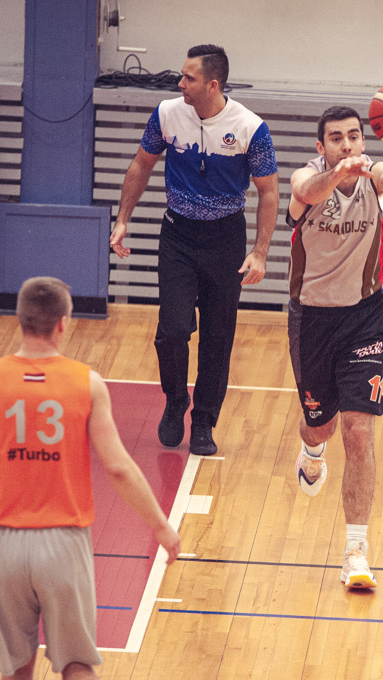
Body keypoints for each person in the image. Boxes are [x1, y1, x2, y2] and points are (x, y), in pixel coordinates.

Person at [0, 276, 181, 680]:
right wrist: (160, 525)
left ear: (20, 319)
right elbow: (119, 468)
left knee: (16, 670)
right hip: (63, 541)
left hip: (1, 541)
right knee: (76, 665)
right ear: (63, 323)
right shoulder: (87, 384)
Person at [287, 106, 383, 589]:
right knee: (321, 424)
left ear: (363, 140)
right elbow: (306, 193)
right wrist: (338, 173)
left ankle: (355, 552)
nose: (347, 145)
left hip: (364, 317)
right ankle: (311, 449)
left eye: (354, 137)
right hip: (312, 318)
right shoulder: (306, 178)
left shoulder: (374, 177)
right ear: (321, 147)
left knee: (358, 430)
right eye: (336, 138)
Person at [110, 44, 279, 456]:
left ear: (212, 85)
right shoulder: (166, 114)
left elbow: (269, 192)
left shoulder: (251, 128)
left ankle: (204, 420)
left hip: (226, 239)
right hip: (178, 235)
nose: (180, 83)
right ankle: (175, 401)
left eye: (189, 78)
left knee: (217, 336)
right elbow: (141, 164)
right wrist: (122, 218)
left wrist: (259, 252)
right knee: (172, 330)